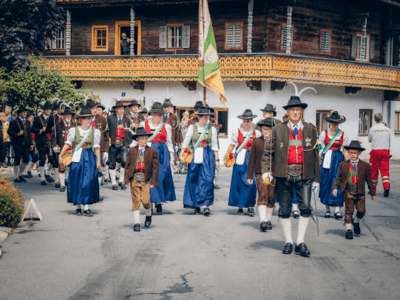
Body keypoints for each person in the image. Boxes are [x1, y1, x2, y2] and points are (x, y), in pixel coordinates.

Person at [262, 94, 320, 257]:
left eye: (298, 110)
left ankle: (300, 242)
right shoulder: (277, 129)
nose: (295, 112)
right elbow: (268, 152)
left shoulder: (311, 129)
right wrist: (267, 170)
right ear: (287, 112)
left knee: (305, 208)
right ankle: (288, 241)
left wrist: (317, 179)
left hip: (305, 175)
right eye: (292, 110)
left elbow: (316, 155)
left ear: (301, 111)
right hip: (283, 175)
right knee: (285, 209)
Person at [59, 106, 101, 216]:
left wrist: (99, 161)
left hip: (89, 157)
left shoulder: (95, 132)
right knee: (76, 179)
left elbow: (96, 147)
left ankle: (86, 206)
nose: (88, 120)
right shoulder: (74, 130)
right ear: (81, 119)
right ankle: (78, 206)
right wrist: (61, 154)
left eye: (90, 118)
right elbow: (68, 143)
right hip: (77, 156)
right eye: (86, 118)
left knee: (88, 181)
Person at [135, 102, 176, 214]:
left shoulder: (166, 126)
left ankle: (159, 202)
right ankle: (151, 203)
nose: (160, 117)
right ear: (152, 114)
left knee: (161, 177)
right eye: (158, 115)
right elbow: (138, 140)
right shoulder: (143, 125)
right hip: (148, 151)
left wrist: (172, 158)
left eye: (162, 115)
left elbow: (169, 143)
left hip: (162, 153)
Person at [180, 106, 219, 216]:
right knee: (194, 179)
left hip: (207, 154)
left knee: (207, 180)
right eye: (204, 117)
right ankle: (196, 205)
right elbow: (186, 142)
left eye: (207, 117)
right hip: (195, 154)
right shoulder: (192, 127)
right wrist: (181, 154)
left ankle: (206, 205)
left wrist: (217, 159)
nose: (206, 119)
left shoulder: (211, 129)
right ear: (199, 117)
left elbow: (215, 145)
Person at [333, 140, 375, 239]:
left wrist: (372, 192)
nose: (352, 154)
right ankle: (348, 230)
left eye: (355, 153)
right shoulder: (343, 164)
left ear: (359, 153)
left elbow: (369, 180)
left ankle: (356, 222)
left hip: (360, 193)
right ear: (348, 152)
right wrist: (335, 187)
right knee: (349, 210)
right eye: (350, 152)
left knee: (361, 211)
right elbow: (339, 177)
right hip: (348, 192)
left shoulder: (365, 165)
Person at [225, 109, 261, 216]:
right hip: (240, 158)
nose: (247, 123)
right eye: (245, 121)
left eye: (249, 121)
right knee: (239, 182)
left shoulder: (256, 133)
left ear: (251, 121)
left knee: (251, 183)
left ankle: (250, 206)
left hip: (252, 158)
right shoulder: (237, 132)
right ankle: (240, 206)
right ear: (242, 121)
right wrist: (227, 156)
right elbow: (232, 145)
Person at [124, 127, 159, 232]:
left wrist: (154, 182)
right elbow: (127, 165)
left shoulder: (152, 151)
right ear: (137, 140)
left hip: (145, 179)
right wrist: (127, 179)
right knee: (136, 201)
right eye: (142, 138)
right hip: (134, 178)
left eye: (146, 138)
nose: (144, 140)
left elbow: (156, 168)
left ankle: (148, 215)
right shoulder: (132, 150)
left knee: (145, 200)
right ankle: (137, 222)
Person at [319, 111, 350, 219]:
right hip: (327, 159)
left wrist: (348, 162)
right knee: (326, 183)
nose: (334, 125)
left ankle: (337, 210)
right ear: (330, 123)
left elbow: (346, 149)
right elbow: (320, 145)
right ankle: (327, 209)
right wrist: (321, 153)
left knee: (337, 182)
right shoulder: (324, 133)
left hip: (338, 159)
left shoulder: (342, 134)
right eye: (332, 123)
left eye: (336, 123)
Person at [247, 118, 275, 232]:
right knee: (262, 195)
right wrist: (249, 175)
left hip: (274, 173)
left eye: (267, 130)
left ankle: (268, 220)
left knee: (271, 197)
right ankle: (262, 220)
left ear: (272, 130)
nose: (265, 132)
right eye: (263, 129)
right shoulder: (257, 141)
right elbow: (251, 159)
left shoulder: (276, 142)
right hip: (260, 173)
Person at [107, 101, 132, 190]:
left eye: (122, 108)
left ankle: (121, 181)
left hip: (123, 143)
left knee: (124, 162)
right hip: (113, 143)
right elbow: (107, 130)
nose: (120, 110)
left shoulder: (127, 119)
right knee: (112, 163)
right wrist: (110, 141)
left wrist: (129, 142)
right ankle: (114, 183)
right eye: (119, 109)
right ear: (116, 109)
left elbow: (130, 131)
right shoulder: (110, 118)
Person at [51, 107, 76, 192]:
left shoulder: (75, 126)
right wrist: (54, 146)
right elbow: (53, 137)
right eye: (66, 115)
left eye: (69, 115)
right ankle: (62, 185)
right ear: (63, 116)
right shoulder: (58, 125)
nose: (68, 116)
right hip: (61, 148)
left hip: (72, 149)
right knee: (61, 166)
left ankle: (68, 180)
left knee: (70, 166)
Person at [368, 113, 391, 197]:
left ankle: (373, 190)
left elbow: (369, 140)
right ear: (382, 119)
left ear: (374, 119)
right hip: (385, 151)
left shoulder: (372, 129)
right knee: (385, 170)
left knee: (373, 170)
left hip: (375, 151)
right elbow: (388, 140)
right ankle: (386, 187)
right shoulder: (388, 129)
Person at [32, 102, 54, 185]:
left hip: (50, 142)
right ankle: (42, 178)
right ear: (44, 110)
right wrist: (40, 130)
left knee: (52, 159)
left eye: (49, 109)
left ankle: (47, 173)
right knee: (42, 159)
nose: (48, 111)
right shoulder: (38, 118)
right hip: (41, 141)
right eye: (47, 109)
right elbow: (32, 130)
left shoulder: (52, 118)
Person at [7, 106, 32, 183]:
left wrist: (31, 144)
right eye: (23, 112)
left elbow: (30, 134)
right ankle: (16, 176)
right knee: (17, 159)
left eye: (25, 112)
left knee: (26, 159)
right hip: (17, 143)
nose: (25, 113)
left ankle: (20, 174)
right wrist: (17, 134)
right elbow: (9, 131)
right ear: (19, 113)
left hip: (26, 143)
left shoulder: (28, 122)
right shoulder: (14, 121)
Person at [23, 111, 39, 178]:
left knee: (35, 157)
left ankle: (28, 170)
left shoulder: (34, 124)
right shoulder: (25, 125)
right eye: (30, 117)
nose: (31, 118)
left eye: (32, 117)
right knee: (26, 158)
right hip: (27, 143)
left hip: (34, 142)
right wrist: (30, 144)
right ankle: (24, 172)